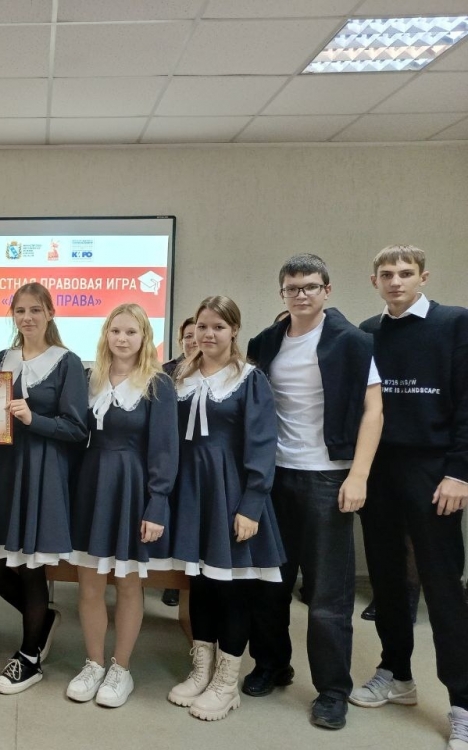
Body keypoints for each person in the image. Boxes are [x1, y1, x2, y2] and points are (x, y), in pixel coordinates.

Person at [245, 254, 382, 730]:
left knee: (328, 596)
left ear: (327, 290)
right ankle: (271, 664)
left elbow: (374, 410)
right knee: (270, 583)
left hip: (328, 476)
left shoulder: (353, 341)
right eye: (292, 288)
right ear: (282, 293)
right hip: (275, 476)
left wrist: (358, 475)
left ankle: (332, 690)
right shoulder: (266, 342)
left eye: (310, 286)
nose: (301, 294)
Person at [351, 245, 468, 750]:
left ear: (424, 276)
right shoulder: (367, 333)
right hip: (380, 471)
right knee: (388, 581)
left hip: (434, 472)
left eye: (405, 273)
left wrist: (459, 472)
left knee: (442, 586)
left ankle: (462, 702)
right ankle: (396, 673)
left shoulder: (455, 323)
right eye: (386, 274)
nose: (395, 281)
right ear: (374, 281)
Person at [167, 295, 283, 722]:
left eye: (218, 326)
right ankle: (202, 670)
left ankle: (226, 682)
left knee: (233, 589)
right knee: (200, 584)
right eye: (202, 326)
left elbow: (263, 445)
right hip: (191, 495)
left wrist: (251, 505)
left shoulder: (249, 379)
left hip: (230, 494)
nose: (208, 334)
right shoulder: (179, 376)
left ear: (234, 330)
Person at [0, 282, 88, 694]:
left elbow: (77, 429)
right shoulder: (3, 358)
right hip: (5, 469)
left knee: (30, 565)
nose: (27, 318)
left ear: (50, 313)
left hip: (42, 471)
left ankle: (29, 656)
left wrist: (32, 420)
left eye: (35, 310)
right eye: (20, 310)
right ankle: (43, 619)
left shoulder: (67, 362)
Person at [67, 304, 179, 708]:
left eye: (131, 332)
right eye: (116, 331)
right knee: (89, 583)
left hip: (133, 488)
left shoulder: (158, 384)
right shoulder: (89, 378)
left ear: (145, 337)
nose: (122, 339)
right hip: (91, 486)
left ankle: (121, 668)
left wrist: (157, 503)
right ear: (106, 335)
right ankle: (94, 663)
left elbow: (165, 449)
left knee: (129, 583)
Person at [161, 315, 198, 607]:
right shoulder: (165, 373)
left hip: (197, 458)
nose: (193, 341)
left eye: (197, 335)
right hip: (168, 454)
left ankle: (187, 578)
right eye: (187, 336)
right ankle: (170, 582)